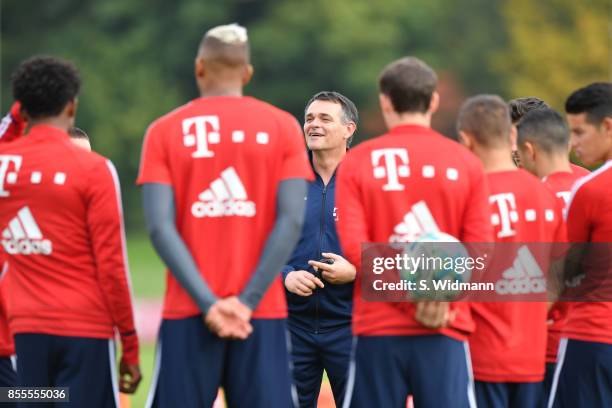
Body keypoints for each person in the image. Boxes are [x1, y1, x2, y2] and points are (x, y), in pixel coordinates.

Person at [137, 24, 313, 408]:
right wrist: (247, 302)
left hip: (188, 311)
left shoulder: (163, 131)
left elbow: (159, 227)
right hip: (260, 313)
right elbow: (291, 221)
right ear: (247, 73)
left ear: (199, 67)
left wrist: (209, 303)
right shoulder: (283, 126)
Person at [336, 56, 493, 408]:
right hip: (445, 324)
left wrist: (410, 300)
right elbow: (481, 251)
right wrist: (436, 299)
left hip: (380, 329)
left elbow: (355, 249)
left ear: (385, 101)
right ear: (434, 101)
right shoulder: (466, 162)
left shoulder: (358, 161)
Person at [0, 56, 141, 407]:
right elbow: (112, 265)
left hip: (26, 333)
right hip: (86, 332)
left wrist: (22, 110)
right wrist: (130, 340)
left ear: (25, 107)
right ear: (71, 104)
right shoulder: (96, 170)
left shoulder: (5, 166)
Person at [457, 95, 565, 408]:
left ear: (467, 139)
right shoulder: (546, 194)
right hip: (534, 353)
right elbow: (561, 273)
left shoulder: (470, 193)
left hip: (481, 352)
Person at [282, 91, 357, 407]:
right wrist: (285, 276)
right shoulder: (284, 179)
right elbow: (257, 247)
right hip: (291, 328)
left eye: (325, 118)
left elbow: (398, 251)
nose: (314, 125)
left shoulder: (367, 180)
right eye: (309, 118)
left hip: (351, 328)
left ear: (348, 129)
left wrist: (354, 270)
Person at [515, 108, 589, 396]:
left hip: (540, 342)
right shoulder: (590, 185)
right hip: (591, 335)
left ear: (529, 150)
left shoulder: (528, 194)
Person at [548, 82, 612, 408]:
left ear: (607, 126)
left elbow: (561, 273)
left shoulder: (591, 189)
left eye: (579, 132)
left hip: (594, 337)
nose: (572, 145)